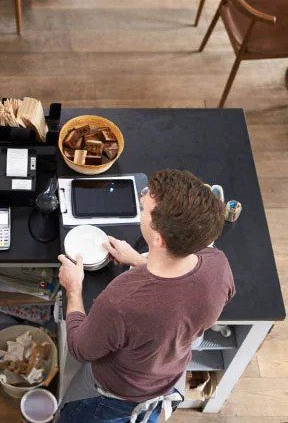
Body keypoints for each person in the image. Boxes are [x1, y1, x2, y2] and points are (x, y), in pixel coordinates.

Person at [58, 169, 235, 423]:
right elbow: (177, 297)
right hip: (167, 381)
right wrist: (138, 261)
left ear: (160, 239)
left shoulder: (121, 301)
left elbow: (80, 349)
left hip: (112, 398)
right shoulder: (218, 265)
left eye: (144, 210)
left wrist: (73, 287)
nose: (141, 209)